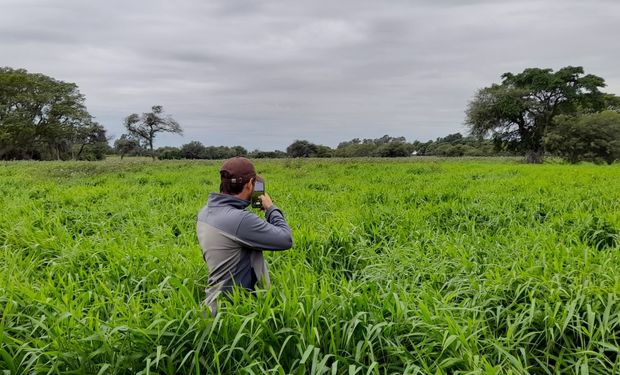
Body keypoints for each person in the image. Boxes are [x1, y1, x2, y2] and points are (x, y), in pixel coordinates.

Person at [196, 157, 293, 316]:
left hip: (214, 305)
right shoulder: (240, 220)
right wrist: (271, 209)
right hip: (234, 311)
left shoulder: (205, 212)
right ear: (249, 184)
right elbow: (285, 239)